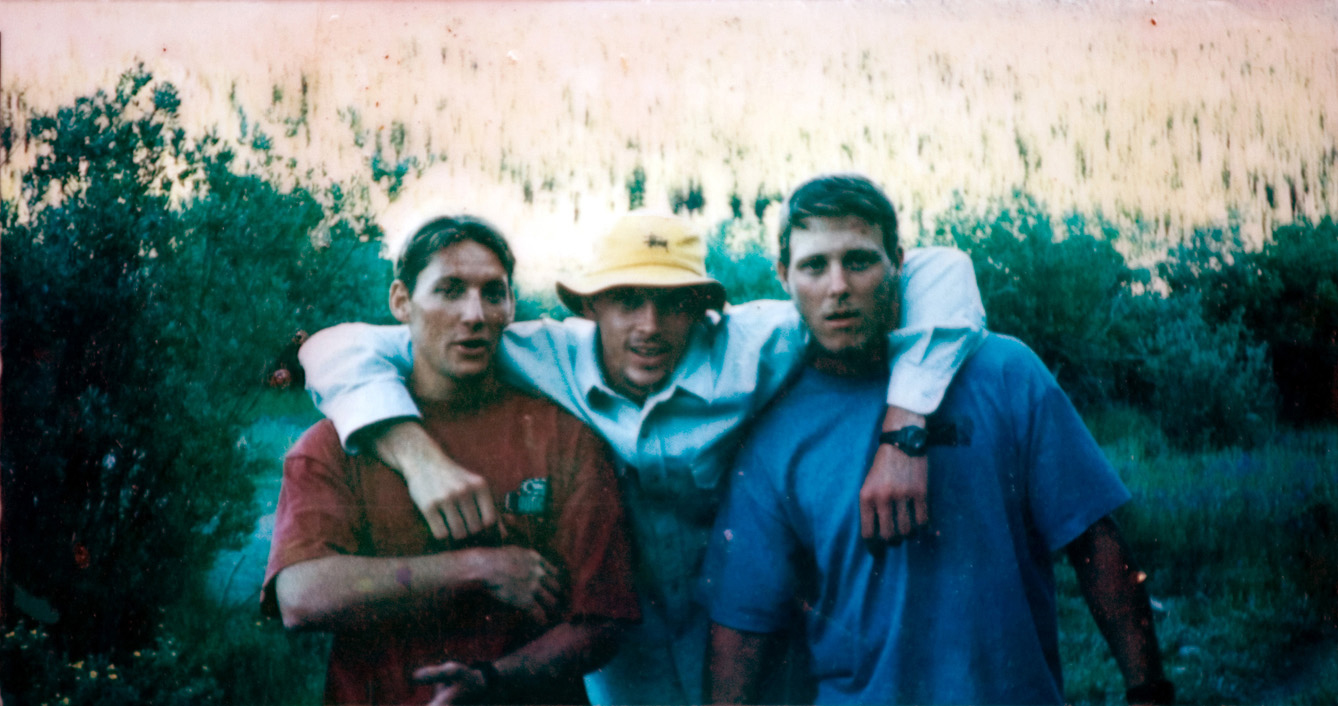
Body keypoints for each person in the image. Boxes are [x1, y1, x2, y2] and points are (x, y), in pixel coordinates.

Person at [299, 209, 986, 704]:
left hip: (747, 624)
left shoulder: (760, 343)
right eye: (626, 300)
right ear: (591, 305)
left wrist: (905, 426)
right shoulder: (530, 349)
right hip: (621, 644)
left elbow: (941, 268)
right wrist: (415, 455)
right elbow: (334, 347)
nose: (649, 327)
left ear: (703, 308)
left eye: (672, 302)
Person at [704, 174, 1173, 705]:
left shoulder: (1005, 373)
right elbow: (742, 623)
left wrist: (1149, 689)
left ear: (898, 262)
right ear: (783, 276)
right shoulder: (772, 429)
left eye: (859, 260)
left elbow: (1093, 539)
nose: (838, 286)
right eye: (814, 265)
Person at [262, 216, 640, 705]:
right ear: (401, 301)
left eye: (493, 293)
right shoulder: (335, 443)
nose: (474, 314)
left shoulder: (563, 438)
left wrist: (490, 680)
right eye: (449, 290)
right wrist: (478, 568)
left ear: (511, 307)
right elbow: (301, 596)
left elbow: (603, 621)